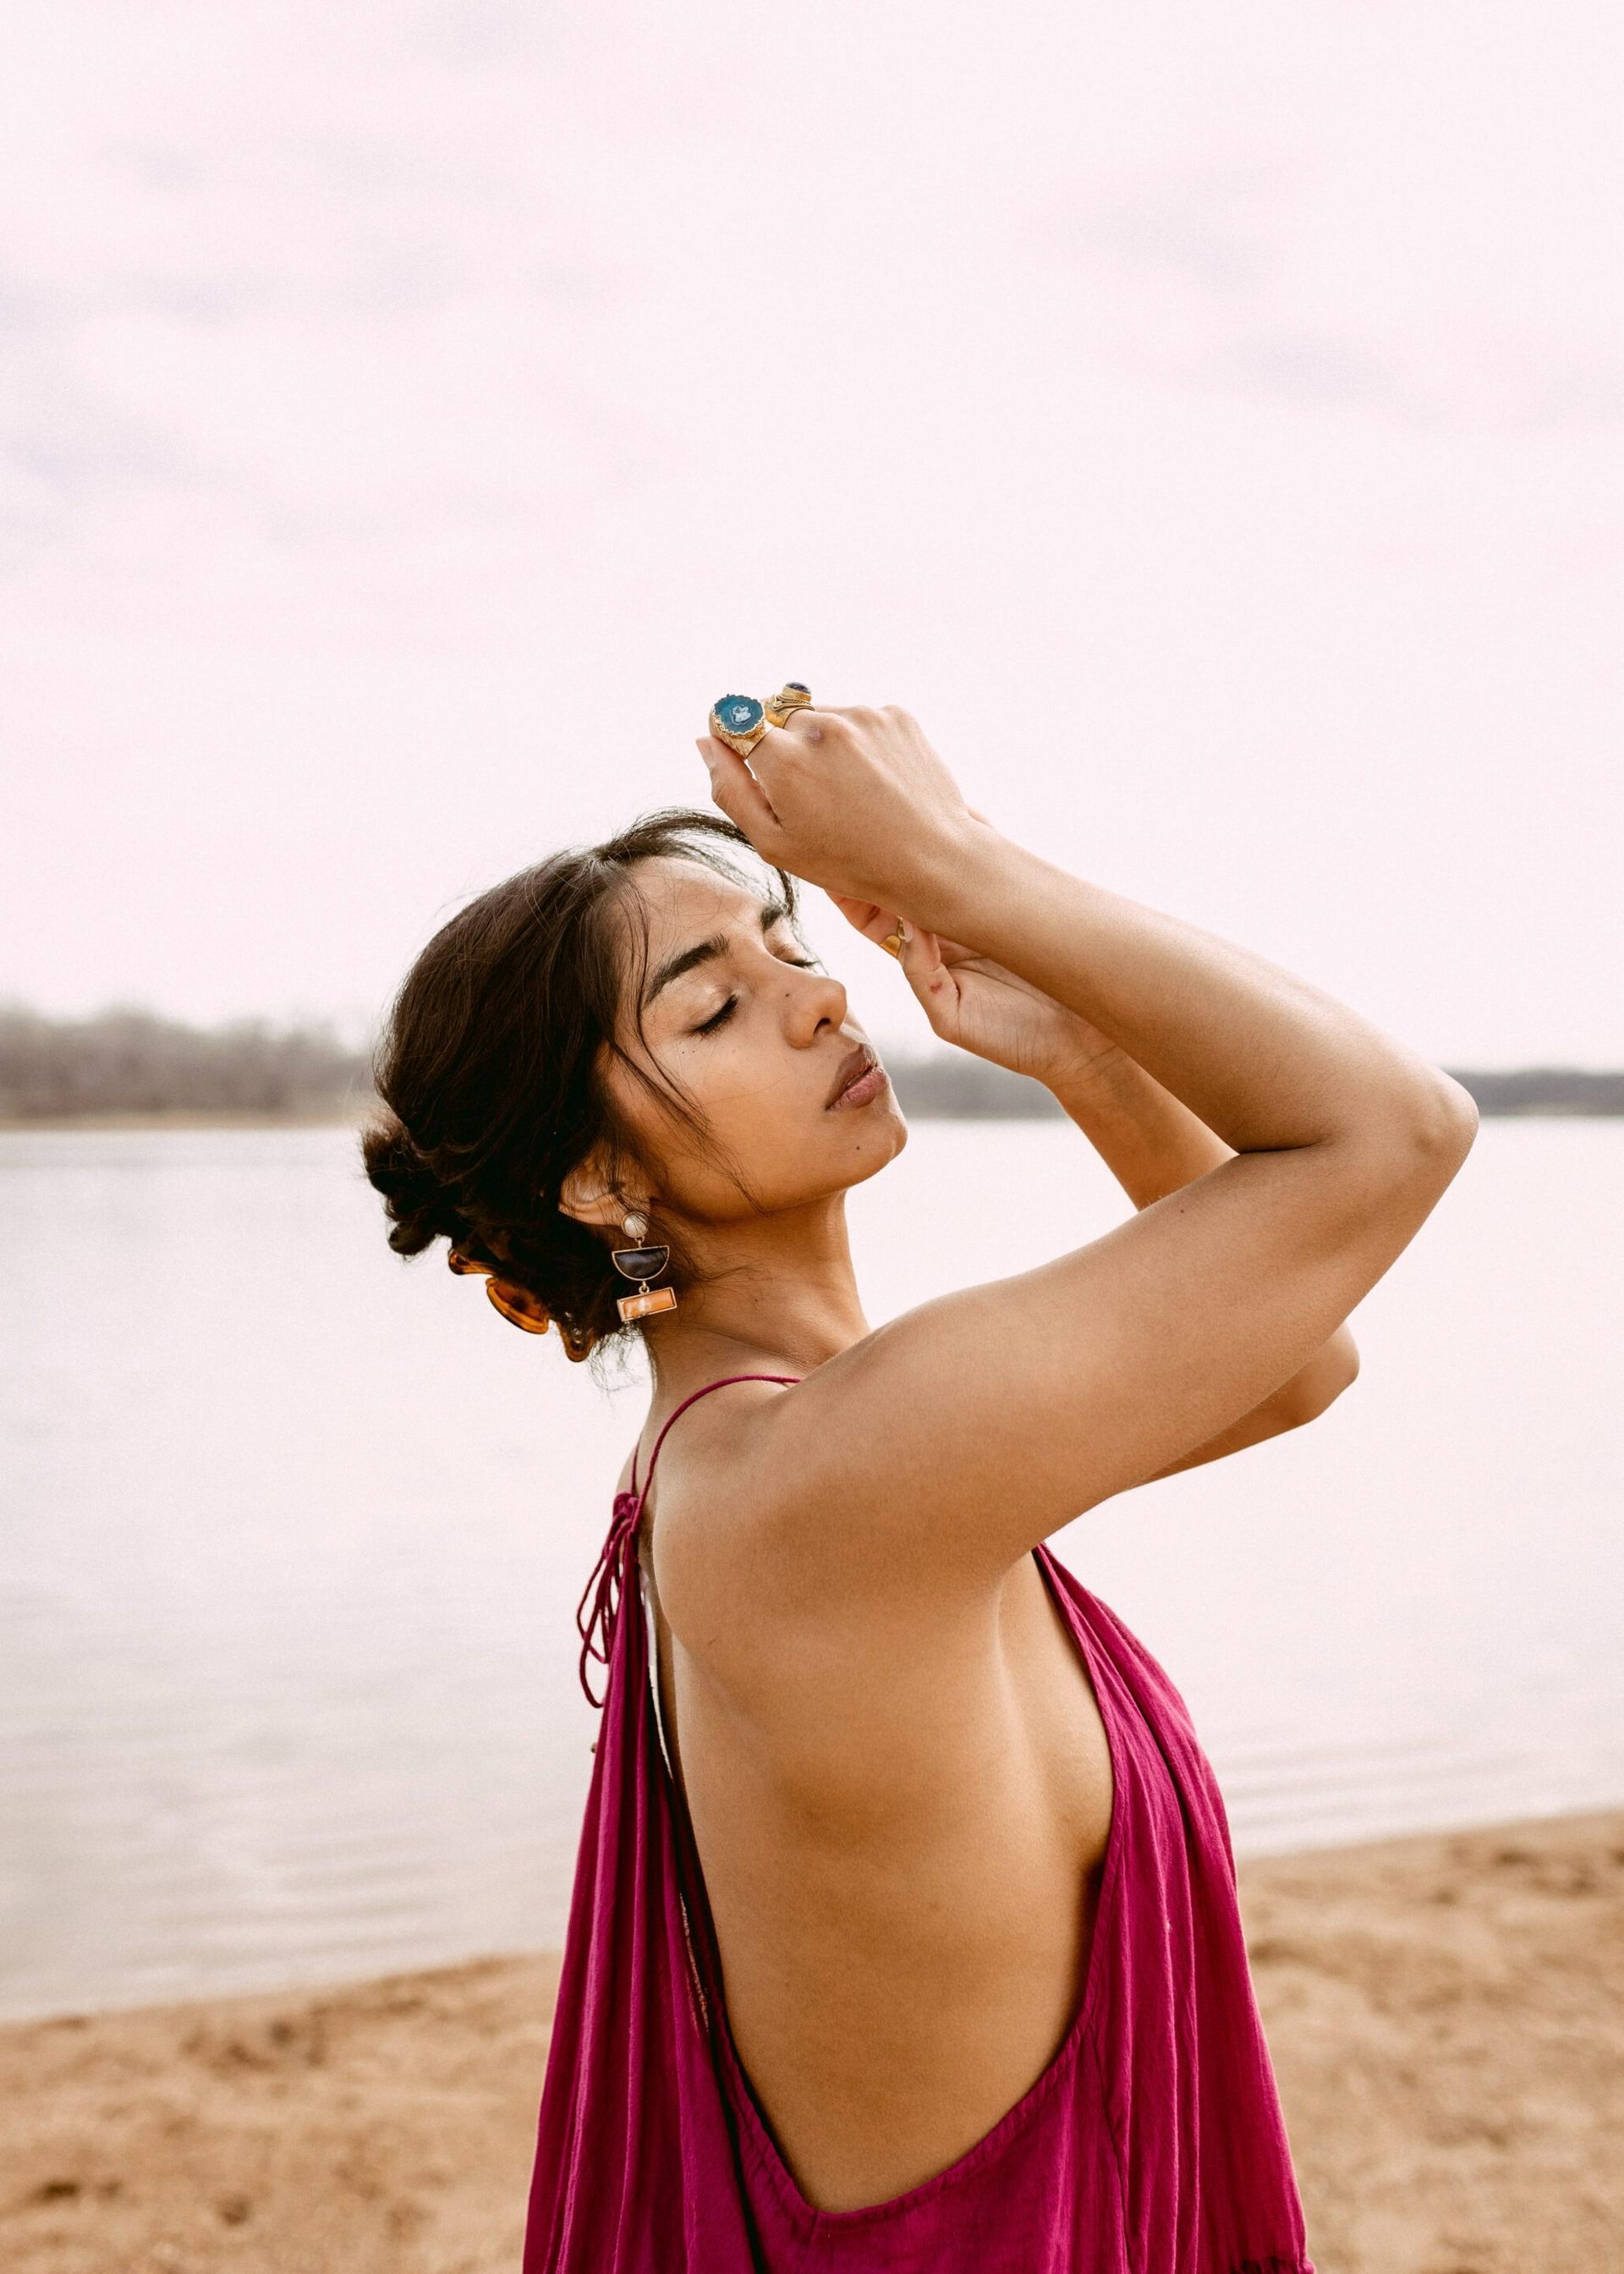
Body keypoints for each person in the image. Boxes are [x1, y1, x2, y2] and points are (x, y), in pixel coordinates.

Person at [363, 695, 1478, 2273]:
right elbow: (1394, 1130)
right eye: (712, 1009)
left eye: (785, 945)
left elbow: (1299, 1368)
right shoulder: (820, 1484)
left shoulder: (818, 1454)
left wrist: (1088, 1053)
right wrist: (955, 862)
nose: (820, 999)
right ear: (604, 1176)